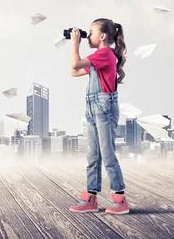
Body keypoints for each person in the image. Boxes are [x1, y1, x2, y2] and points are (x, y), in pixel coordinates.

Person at [68, 18, 129, 215]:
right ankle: (91, 198)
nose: (88, 35)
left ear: (102, 37)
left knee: (107, 153)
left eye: (91, 32)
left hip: (104, 107)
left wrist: (75, 43)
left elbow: (75, 62)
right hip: (93, 107)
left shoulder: (104, 54)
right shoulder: (97, 57)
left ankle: (120, 200)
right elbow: (74, 71)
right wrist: (75, 46)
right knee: (92, 155)